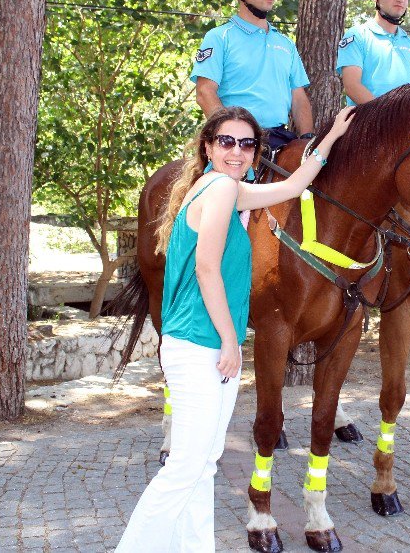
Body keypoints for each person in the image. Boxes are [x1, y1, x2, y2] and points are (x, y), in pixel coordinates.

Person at [115, 105, 354, 553]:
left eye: (247, 144)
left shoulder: (223, 189)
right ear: (208, 146)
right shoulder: (223, 188)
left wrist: (330, 139)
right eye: (227, 141)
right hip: (200, 345)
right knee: (185, 469)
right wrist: (230, 338)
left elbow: (293, 183)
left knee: (204, 464)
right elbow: (207, 269)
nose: (237, 151)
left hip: (199, 345)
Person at [191, 0, 314, 151]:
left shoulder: (286, 44)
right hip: (235, 142)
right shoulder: (219, 38)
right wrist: (230, 136)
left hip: (280, 141)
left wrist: (307, 141)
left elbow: (299, 98)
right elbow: (204, 92)